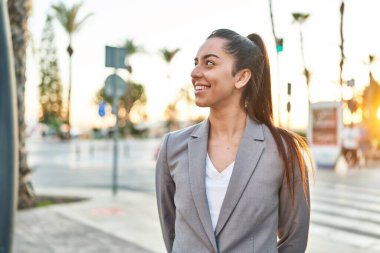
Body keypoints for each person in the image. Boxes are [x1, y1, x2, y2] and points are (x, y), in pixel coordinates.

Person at [155, 29, 313, 253]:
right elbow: (171, 230)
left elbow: (294, 239)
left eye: (209, 63)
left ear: (241, 77)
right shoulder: (173, 146)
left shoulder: (282, 150)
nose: (195, 72)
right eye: (196, 63)